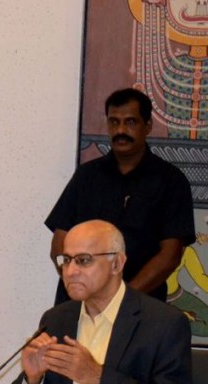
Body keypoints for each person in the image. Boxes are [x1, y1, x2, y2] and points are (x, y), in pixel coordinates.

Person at [11, 220, 196, 384]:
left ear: (117, 264)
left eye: (83, 260)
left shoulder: (164, 323)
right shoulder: (57, 319)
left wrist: (98, 376)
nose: (70, 271)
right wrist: (34, 379)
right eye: (67, 260)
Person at [46, 88, 194, 304]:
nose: (121, 130)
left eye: (130, 122)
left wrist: (118, 300)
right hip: (79, 305)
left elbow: (170, 256)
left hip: (138, 308)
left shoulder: (171, 181)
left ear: (148, 126)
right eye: (114, 122)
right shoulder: (86, 176)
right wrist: (80, 285)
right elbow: (59, 243)